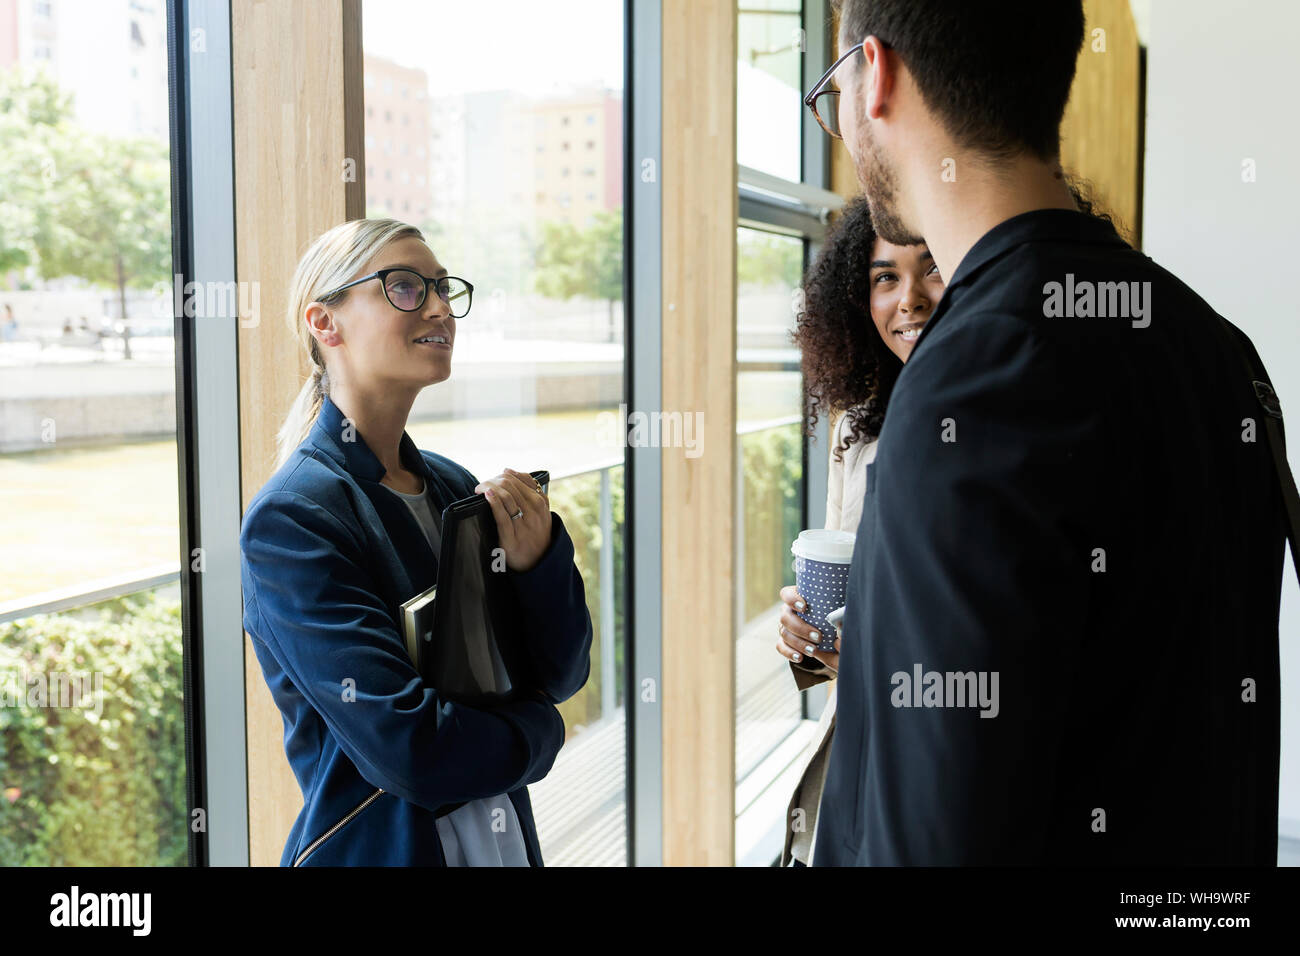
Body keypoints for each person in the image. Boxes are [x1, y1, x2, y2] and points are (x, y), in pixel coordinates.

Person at [808, 0, 1286, 865]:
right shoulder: (1218, 346)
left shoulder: (964, 389)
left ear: (874, 75)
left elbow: (936, 838)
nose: (837, 124)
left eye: (830, 91)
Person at [239, 217, 593, 866]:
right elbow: (412, 752)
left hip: (501, 839)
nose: (437, 307)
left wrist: (540, 562)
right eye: (403, 286)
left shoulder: (455, 488)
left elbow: (559, 672)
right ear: (326, 323)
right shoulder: (292, 521)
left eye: (440, 287)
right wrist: (541, 733)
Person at [776, 195, 945, 867]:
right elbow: (841, 584)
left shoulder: (999, 430)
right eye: (885, 278)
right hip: (860, 746)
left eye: (932, 271)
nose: (910, 300)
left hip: (939, 748)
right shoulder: (857, 431)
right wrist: (806, 641)